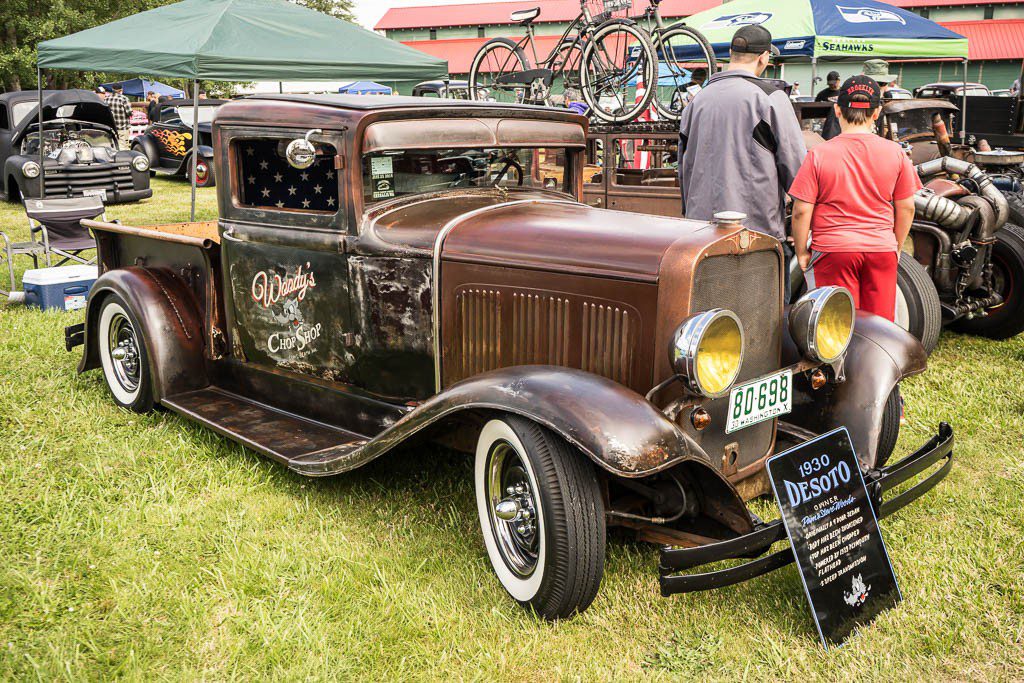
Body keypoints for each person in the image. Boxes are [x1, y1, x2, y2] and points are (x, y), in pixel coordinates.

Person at [678, 25, 806, 292]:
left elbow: (683, 168)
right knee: (760, 320)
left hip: (701, 235)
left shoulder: (697, 101)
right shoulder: (771, 98)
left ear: (732, 54)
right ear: (764, 58)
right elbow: (797, 168)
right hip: (755, 235)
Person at [789, 76, 920, 322]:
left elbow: (800, 211)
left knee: (833, 326)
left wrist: (801, 251)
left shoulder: (819, 154)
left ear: (837, 109)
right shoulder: (896, 153)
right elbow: (907, 207)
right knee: (879, 327)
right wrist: (896, 245)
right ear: (877, 112)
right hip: (881, 248)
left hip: (833, 250)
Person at [822, 60, 896, 140]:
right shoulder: (844, 104)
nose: (876, 87)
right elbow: (829, 141)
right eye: (872, 82)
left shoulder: (880, 105)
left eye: (882, 83)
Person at [106, 84, 133, 149]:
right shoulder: (124, 99)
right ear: (121, 90)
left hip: (111, 127)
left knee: (112, 145)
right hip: (122, 128)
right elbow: (129, 112)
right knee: (122, 146)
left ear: (112, 89)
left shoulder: (107, 99)